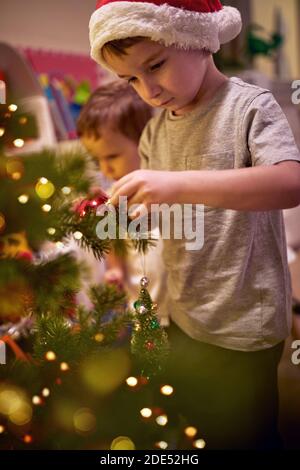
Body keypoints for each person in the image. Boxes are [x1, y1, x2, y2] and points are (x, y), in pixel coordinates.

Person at [88, 0, 300, 449]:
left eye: (156, 65)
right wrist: (120, 215)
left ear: (199, 38)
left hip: (244, 323)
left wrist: (176, 184)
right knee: (198, 429)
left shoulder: (248, 106)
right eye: (131, 79)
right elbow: (175, 218)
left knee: (245, 438)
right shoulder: (153, 133)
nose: (146, 89)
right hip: (184, 316)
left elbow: (290, 183)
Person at [77, 80, 168, 320]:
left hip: (178, 305)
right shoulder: (115, 194)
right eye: (97, 160)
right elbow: (113, 238)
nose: (105, 169)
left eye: (112, 156)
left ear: (145, 140)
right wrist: (115, 268)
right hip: (139, 304)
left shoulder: (168, 183)